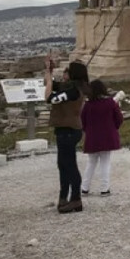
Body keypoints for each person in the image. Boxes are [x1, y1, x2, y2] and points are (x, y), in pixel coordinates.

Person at [43, 55, 88, 213]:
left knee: (69, 165)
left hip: (69, 130)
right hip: (64, 129)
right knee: (63, 165)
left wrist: (49, 82)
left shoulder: (73, 91)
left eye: (67, 73)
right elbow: (50, 84)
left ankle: (75, 199)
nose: (64, 76)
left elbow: (49, 97)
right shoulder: (71, 88)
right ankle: (64, 197)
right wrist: (49, 70)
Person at [80, 79, 123, 197]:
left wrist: (88, 131)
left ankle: (84, 188)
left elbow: (83, 121)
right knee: (105, 162)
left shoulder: (88, 105)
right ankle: (104, 188)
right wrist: (114, 128)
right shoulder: (110, 103)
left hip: (92, 137)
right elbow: (119, 118)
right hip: (107, 136)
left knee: (91, 163)